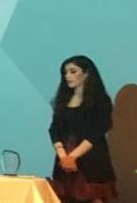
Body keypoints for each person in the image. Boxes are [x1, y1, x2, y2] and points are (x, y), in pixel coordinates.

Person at [49, 55, 117, 203]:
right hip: (64, 162)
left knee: (92, 197)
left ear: (86, 73)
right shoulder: (62, 100)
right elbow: (55, 129)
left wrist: (73, 157)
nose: (67, 76)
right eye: (65, 72)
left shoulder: (100, 100)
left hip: (91, 160)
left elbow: (97, 131)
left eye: (73, 71)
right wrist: (63, 156)